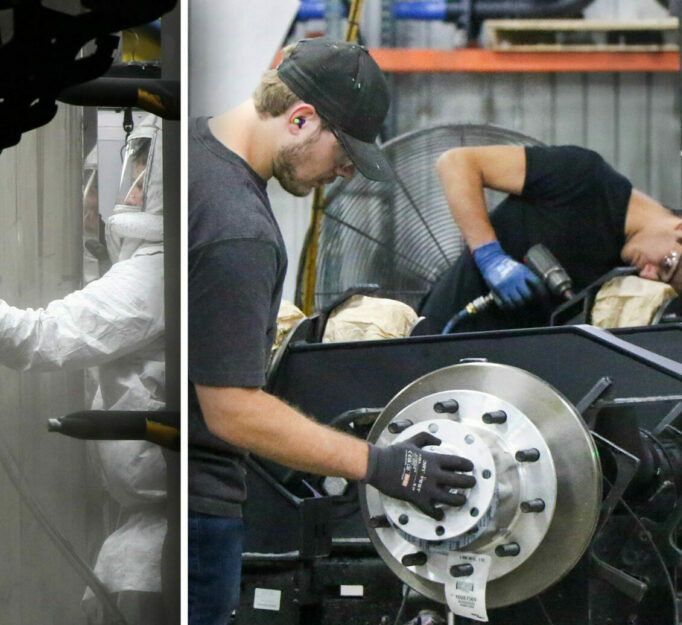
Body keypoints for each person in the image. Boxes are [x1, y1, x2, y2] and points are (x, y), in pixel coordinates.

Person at [189, 39, 477, 625]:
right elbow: (231, 411)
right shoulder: (240, 227)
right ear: (300, 119)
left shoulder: (188, 152)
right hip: (196, 510)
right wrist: (383, 464)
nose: (344, 172)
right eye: (343, 153)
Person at [0, 113, 170, 624]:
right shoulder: (138, 266)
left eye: (127, 169)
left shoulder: (152, 277)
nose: (95, 198)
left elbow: (36, 337)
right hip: (132, 537)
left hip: (152, 553)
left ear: (157, 182)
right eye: (94, 181)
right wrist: (112, 126)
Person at [415, 139, 682, 331]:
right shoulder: (584, 178)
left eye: (660, 282)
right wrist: (490, 256)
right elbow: (457, 163)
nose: (648, 275)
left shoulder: (620, 278)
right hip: (439, 334)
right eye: (666, 265)